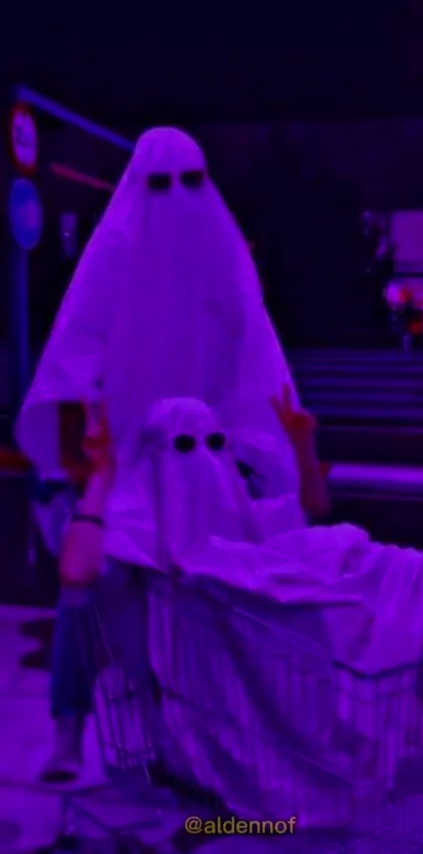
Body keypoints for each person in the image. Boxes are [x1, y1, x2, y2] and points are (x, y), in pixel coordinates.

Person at [17, 127, 311, 779]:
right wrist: (90, 451)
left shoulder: (223, 272)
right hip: (126, 473)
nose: (176, 199)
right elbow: (75, 356)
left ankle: (203, 736)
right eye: (160, 184)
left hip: (207, 469)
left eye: (190, 182)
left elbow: (255, 376)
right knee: (87, 595)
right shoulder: (114, 265)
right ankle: (71, 731)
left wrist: (259, 463)